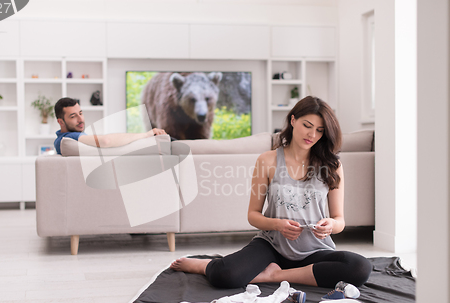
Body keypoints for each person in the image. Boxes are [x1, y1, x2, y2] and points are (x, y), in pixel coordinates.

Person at [170, 96, 372, 289]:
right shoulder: (267, 160)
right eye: (307, 126)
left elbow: (339, 220)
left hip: (315, 249)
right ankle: (203, 265)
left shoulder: (333, 165)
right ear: (293, 120)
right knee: (227, 275)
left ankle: (275, 275)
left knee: (360, 268)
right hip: (272, 246)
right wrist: (278, 224)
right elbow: (253, 215)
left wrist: (331, 225)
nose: (312, 135)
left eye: (319, 130)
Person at [54, 97, 166, 154]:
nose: (80, 119)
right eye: (73, 116)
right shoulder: (68, 138)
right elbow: (105, 141)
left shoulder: (68, 139)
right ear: (61, 122)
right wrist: (146, 134)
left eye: (81, 113)